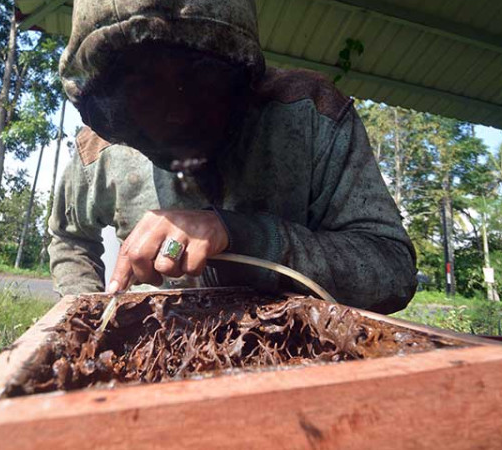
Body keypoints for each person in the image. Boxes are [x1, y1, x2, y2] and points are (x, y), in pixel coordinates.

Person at [49, 0, 418, 314]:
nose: (176, 112)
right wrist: (87, 311)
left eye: (195, 78)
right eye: (144, 85)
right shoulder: (98, 152)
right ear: (110, 95)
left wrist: (243, 235)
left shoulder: (310, 115)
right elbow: (69, 237)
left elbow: (392, 270)